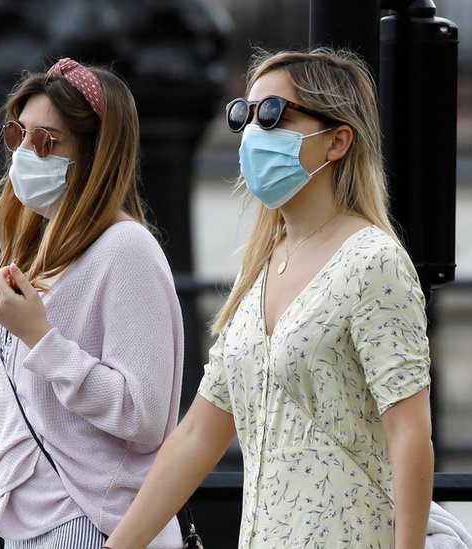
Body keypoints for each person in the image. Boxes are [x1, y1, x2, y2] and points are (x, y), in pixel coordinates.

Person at [104, 47, 434, 549]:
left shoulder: (373, 261)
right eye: (246, 114)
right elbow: (197, 437)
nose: (255, 131)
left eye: (275, 114)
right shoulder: (261, 266)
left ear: (337, 141)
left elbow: (410, 433)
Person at [0, 58, 184, 549]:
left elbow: (144, 414)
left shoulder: (126, 250)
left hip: (92, 523)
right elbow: (5, 433)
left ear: (95, 154)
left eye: (47, 140)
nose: (26, 153)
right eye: (19, 134)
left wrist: (42, 340)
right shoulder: (35, 252)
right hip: (28, 529)